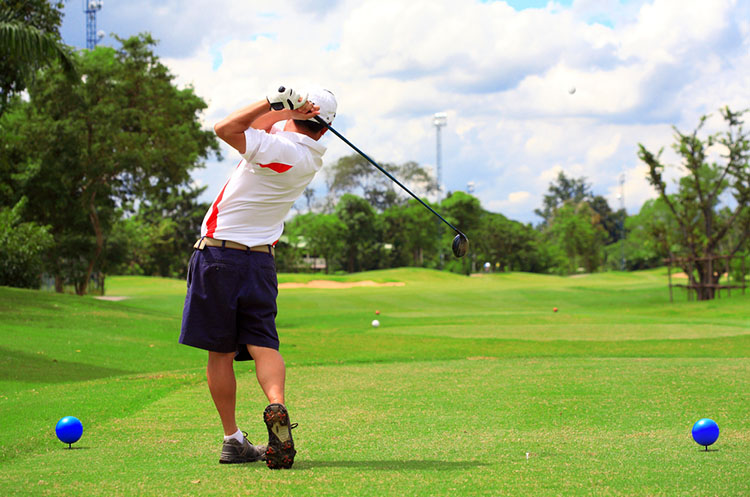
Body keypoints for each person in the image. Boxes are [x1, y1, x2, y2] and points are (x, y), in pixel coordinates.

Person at [179, 85, 337, 469]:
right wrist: (288, 110)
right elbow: (268, 128)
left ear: (299, 119)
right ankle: (275, 405)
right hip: (260, 263)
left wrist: (273, 100)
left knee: (221, 351)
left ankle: (233, 438)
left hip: (218, 256)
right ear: (326, 129)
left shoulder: (280, 149)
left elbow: (225, 128)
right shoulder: (306, 155)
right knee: (264, 343)